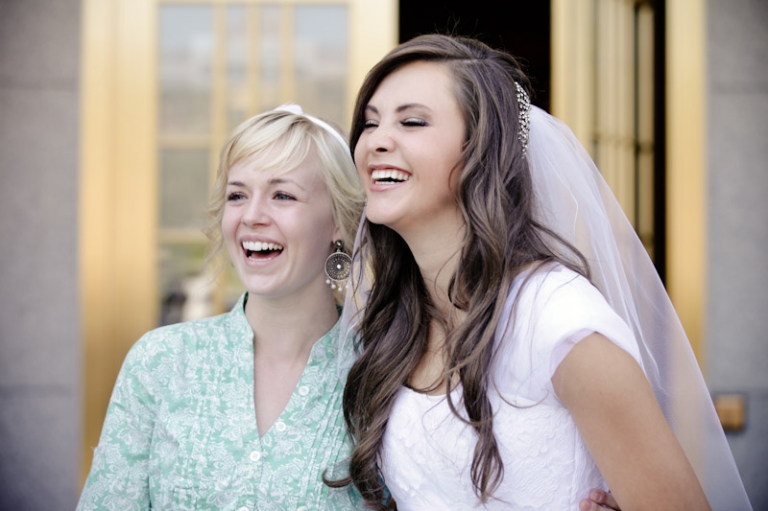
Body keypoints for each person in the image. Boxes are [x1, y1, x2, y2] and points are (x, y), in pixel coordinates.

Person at [334, 34, 751, 510]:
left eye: (411, 121)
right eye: (370, 123)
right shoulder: (395, 326)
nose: (376, 141)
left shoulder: (558, 321)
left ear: (479, 151)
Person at [77, 104, 366, 510]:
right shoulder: (160, 361)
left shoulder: (380, 372)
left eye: (282, 195)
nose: (251, 216)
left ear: (338, 218)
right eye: (237, 195)